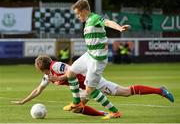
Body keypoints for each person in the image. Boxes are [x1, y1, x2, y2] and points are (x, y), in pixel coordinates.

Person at [11, 55, 174, 117]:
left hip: (93, 82)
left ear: (42, 67)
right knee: (77, 108)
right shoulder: (48, 75)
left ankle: (160, 90)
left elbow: (70, 72)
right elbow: (38, 90)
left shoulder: (56, 66)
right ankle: (104, 112)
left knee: (126, 92)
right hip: (84, 89)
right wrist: (23, 101)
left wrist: (58, 77)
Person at [66, 0, 131, 119]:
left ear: (84, 10)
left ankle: (114, 112)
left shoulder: (94, 18)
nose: (77, 16)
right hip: (89, 55)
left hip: (97, 60)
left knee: (90, 91)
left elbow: (107, 22)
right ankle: (76, 102)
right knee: (70, 72)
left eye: (77, 13)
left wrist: (119, 28)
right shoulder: (87, 21)